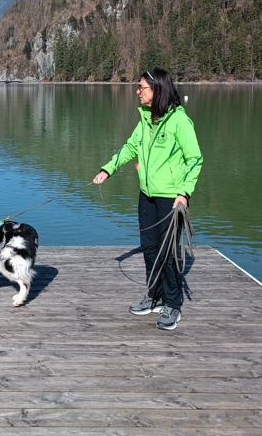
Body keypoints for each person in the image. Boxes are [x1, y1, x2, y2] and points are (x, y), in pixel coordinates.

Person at [93, 68, 202, 330]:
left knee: (168, 252)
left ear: (157, 90)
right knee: (150, 249)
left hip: (171, 199)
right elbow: (130, 147)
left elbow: (195, 159)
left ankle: (172, 304)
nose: (137, 91)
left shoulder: (179, 121)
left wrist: (183, 193)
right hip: (147, 196)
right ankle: (154, 296)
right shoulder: (145, 119)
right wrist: (108, 170)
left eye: (142, 87)